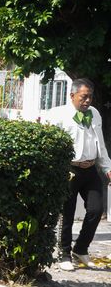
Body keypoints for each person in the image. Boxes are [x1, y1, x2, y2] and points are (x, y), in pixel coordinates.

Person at [46, 78, 111, 271]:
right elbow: (50, 143)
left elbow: (100, 144)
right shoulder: (58, 114)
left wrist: (107, 167)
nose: (87, 101)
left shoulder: (95, 114)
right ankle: (64, 253)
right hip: (69, 168)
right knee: (67, 212)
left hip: (90, 168)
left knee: (96, 209)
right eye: (83, 97)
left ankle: (80, 249)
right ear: (72, 96)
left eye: (90, 96)